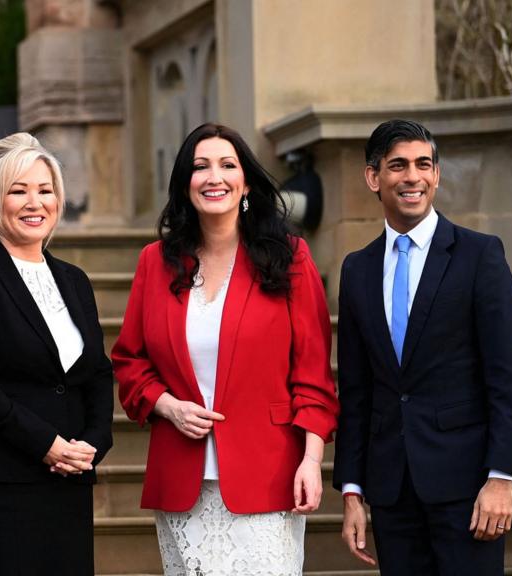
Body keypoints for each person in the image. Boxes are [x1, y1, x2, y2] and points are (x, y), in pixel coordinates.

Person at [112, 123, 339, 575]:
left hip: (269, 475)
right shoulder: (154, 263)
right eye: (200, 167)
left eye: (227, 165)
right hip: (181, 480)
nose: (214, 177)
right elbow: (129, 361)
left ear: (246, 181)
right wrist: (168, 405)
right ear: (185, 183)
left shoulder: (290, 258)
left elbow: (313, 376)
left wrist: (312, 461)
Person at [333, 119, 512, 575]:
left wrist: (501, 477)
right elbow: (357, 391)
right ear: (373, 177)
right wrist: (352, 490)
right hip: (392, 492)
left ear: (437, 175)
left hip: (468, 488)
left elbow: (508, 375)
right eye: (398, 165)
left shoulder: (480, 255)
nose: (412, 177)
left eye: (424, 164)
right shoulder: (357, 269)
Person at [0, 132, 114, 576]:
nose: (35, 203)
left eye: (45, 190)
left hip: (68, 478)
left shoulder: (74, 280)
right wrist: (46, 445)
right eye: (19, 191)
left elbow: (96, 372)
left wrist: (93, 443)